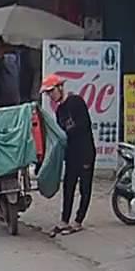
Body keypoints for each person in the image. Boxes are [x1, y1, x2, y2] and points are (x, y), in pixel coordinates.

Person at [42, 74, 95, 235]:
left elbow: (84, 125)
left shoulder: (76, 102)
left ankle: (78, 221)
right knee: (68, 186)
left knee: (85, 188)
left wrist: (67, 132)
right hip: (71, 154)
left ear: (60, 88)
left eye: (52, 91)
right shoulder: (59, 110)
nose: (51, 96)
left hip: (85, 151)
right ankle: (64, 220)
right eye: (48, 93)